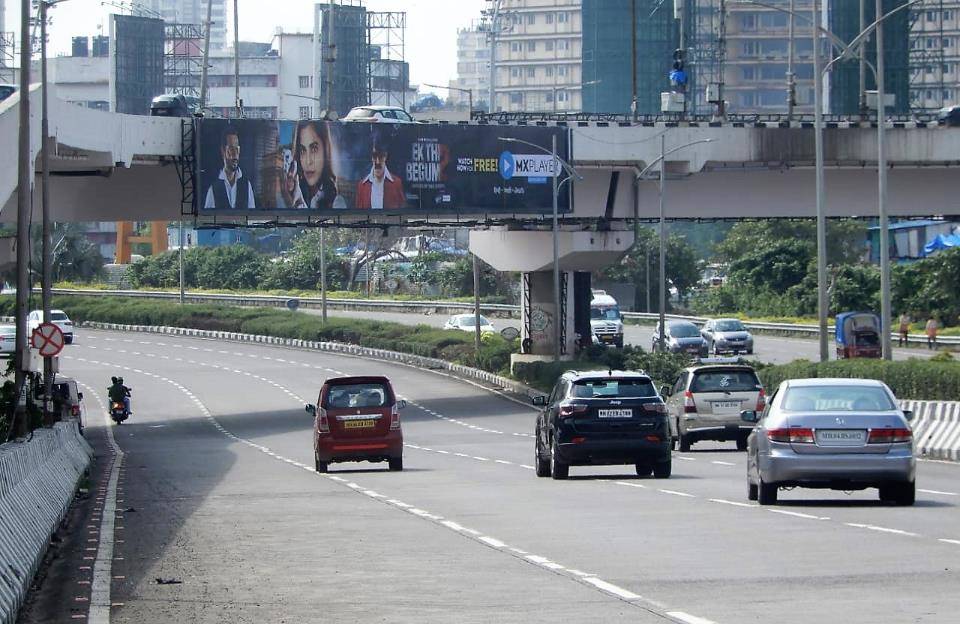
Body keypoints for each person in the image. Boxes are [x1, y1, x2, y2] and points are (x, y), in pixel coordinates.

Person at [281, 120, 345, 210]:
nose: (308, 161)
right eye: (302, 151)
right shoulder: (297, 194)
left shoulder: (337, 203)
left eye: (314, 149)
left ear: (325, 150)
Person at [204, 125, 256, 210]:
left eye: (237, 149)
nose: (235, 154)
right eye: (231, 149)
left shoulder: (247, 186)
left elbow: (252, 215)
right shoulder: (213, 189)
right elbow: (207, 217)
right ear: (223, 151)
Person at [355, 143, 406, 210]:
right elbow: (358, 213)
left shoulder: (397, 183)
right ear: (371, 158)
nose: (377, 162)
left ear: (385, 157)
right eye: (374, 156)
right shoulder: (362, 186)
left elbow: (402, 210)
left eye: (380, 156)